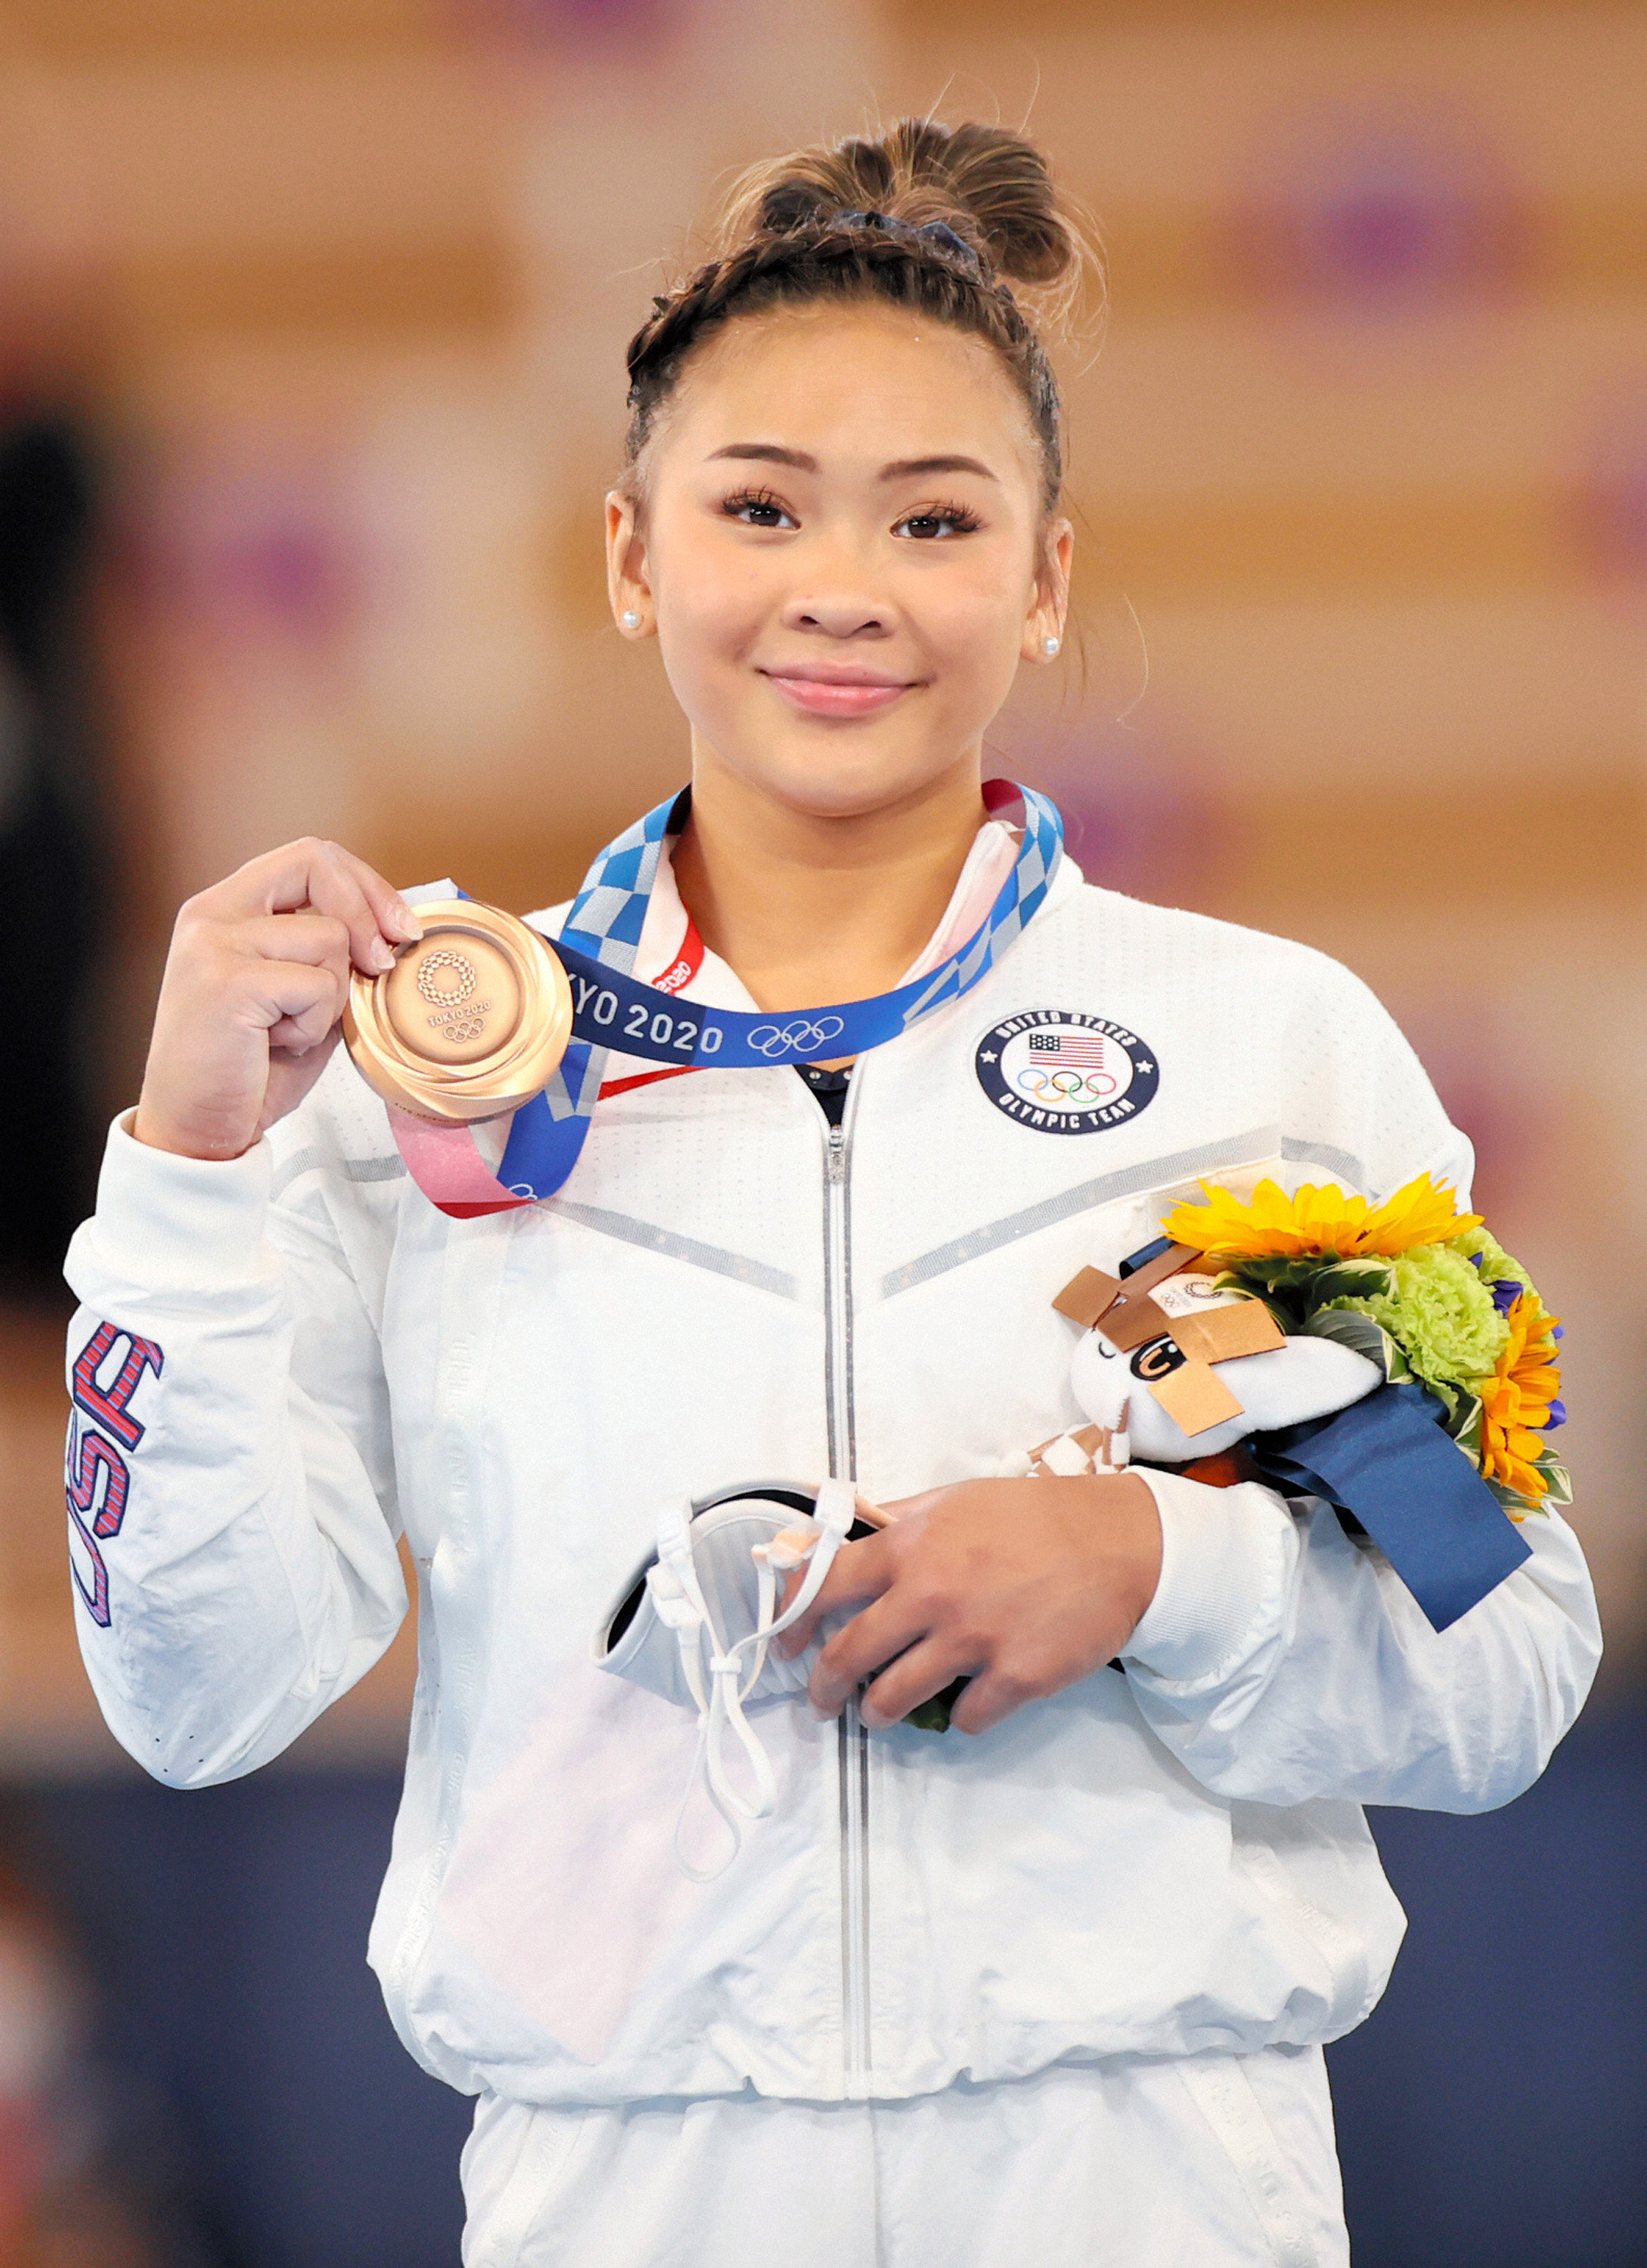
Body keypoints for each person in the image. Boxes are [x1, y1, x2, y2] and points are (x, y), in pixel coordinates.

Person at [62, 121, 1599, 2267]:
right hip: (630, 2189)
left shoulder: (1262, 1054)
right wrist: (194, 1177)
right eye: (759, 505)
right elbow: (191, 1696)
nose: (842, 585)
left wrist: (1152, 1562)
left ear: (1047, 573)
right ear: (628, 552)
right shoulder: (427, 1059)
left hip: (1144, 2186)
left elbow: (1500, 1652)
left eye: (936, 517)